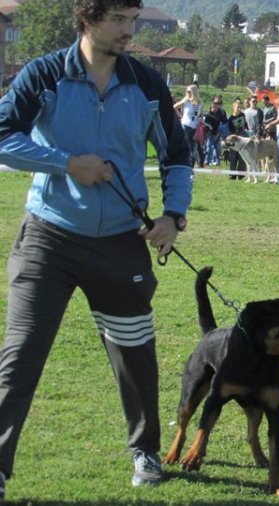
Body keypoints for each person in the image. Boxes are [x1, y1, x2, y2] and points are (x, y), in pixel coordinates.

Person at [0, 0, 193, 497]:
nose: (130, 31)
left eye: (134, 20)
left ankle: (146, 451)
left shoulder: (147, 84)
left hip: (121, 243)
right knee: (20, 357)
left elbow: (177, 157)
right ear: (88, 19)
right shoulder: (44, 75)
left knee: (135, 353)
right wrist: (66, 164)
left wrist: (172, 216)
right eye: (119, 21)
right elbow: (3, 137)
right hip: (48, 237)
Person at [173, 83, 202, 167]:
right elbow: (174, 107)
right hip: (185, 125)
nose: (187, 93)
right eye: (186, 91)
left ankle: (191, 167)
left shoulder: (199, 102)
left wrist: (200, 119)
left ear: (194, 92)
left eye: (189, 91)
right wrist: (181, 116)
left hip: (195, 127)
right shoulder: (186, 101)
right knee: (186, 146)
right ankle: (183, 165)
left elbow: (199, 114)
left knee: (193, 149)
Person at [226, 97, 248, 179]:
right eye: (237, 107)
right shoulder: (231, 119)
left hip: (242, 138)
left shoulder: (243, 115)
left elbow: (245, 125)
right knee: (233, 157)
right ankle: (232, 174)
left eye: (240, 107)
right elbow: (231, 130)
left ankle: (241, 174)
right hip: (234, 139)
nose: (239, 109)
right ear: (233, 108)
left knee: (242, 156)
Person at [202, 96, 227, 167]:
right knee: (210, 146)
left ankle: (216, 161)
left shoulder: (222, 112)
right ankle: (207, 161)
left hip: (218, 132)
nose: (217, 105)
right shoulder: (208, 114)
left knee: (217, 147)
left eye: (219, 103)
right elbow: (205, 122)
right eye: (216, 103)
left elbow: (224, 122)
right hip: (210, 133)